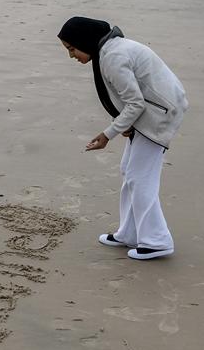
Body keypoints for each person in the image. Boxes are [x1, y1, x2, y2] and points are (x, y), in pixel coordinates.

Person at [58, 17, 188, 261]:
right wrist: (125, 125)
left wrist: (109, 134)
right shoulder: (109, 49)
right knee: (129, 170)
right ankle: (129, 233)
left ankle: (156, 241)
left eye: (72, 48)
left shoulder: (112, 57)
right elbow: (133, 100)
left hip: (159, 114)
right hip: (154, 110)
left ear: (84, 41)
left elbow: (135, 103)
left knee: (140, 178)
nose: (71, 55)